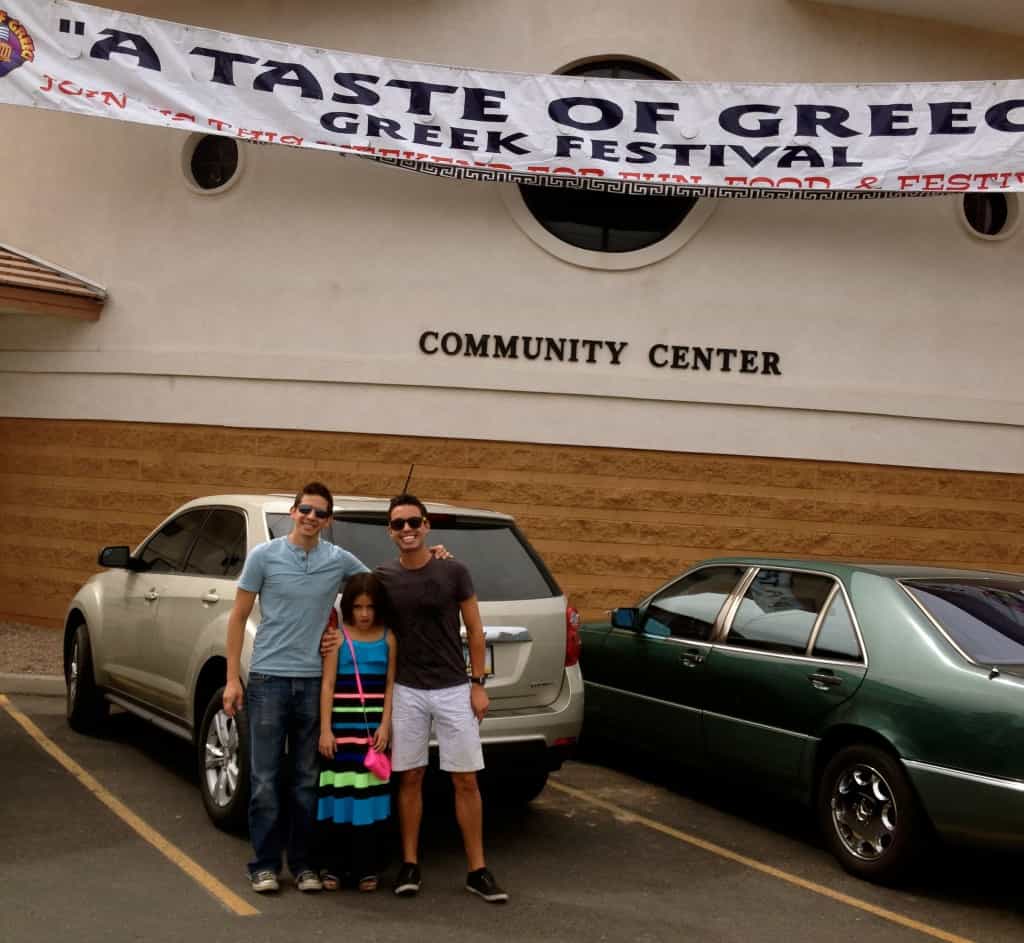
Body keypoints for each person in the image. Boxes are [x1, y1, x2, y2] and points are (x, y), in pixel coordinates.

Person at [325, 493, 508, 903]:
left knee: (465, 779)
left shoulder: (454, 571)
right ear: (390, 532)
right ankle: (409, 864)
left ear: (426, 526)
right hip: (405, 690)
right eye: (398, 524)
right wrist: (331, 636)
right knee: (409, 777)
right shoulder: (384, 577)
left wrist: (478, 683)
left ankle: (477, 870)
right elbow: (354, 604)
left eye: (413, 522)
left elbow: (476, 631)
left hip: (452, 688)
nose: (406, 530)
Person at [223, 482, 368, 894]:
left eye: (320, 513)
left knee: (306, 780)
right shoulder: (264, 557)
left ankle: (304, 864)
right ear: (293, 511)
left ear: (329, 520)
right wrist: (232, 678)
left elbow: (376, 590)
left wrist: (343, 635)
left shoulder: (338, 560)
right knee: (265, 779)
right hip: (268, 679)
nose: (311, 517)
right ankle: (265, 865)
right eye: (305, 509)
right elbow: (237, 618)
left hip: (314, 683)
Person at [314, 573, 396, 893]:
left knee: (368, 805)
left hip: (371, 740)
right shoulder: (337, 638)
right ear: (348, 606)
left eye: (370, 607)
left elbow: (390, 686)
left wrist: (385, 725)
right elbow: (328, 685)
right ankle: (333, 866)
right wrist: (325, 730)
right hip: (340, 736)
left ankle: (366, 868)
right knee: (339, 802)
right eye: (358, 606)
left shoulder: (389, 639)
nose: (364, 614)